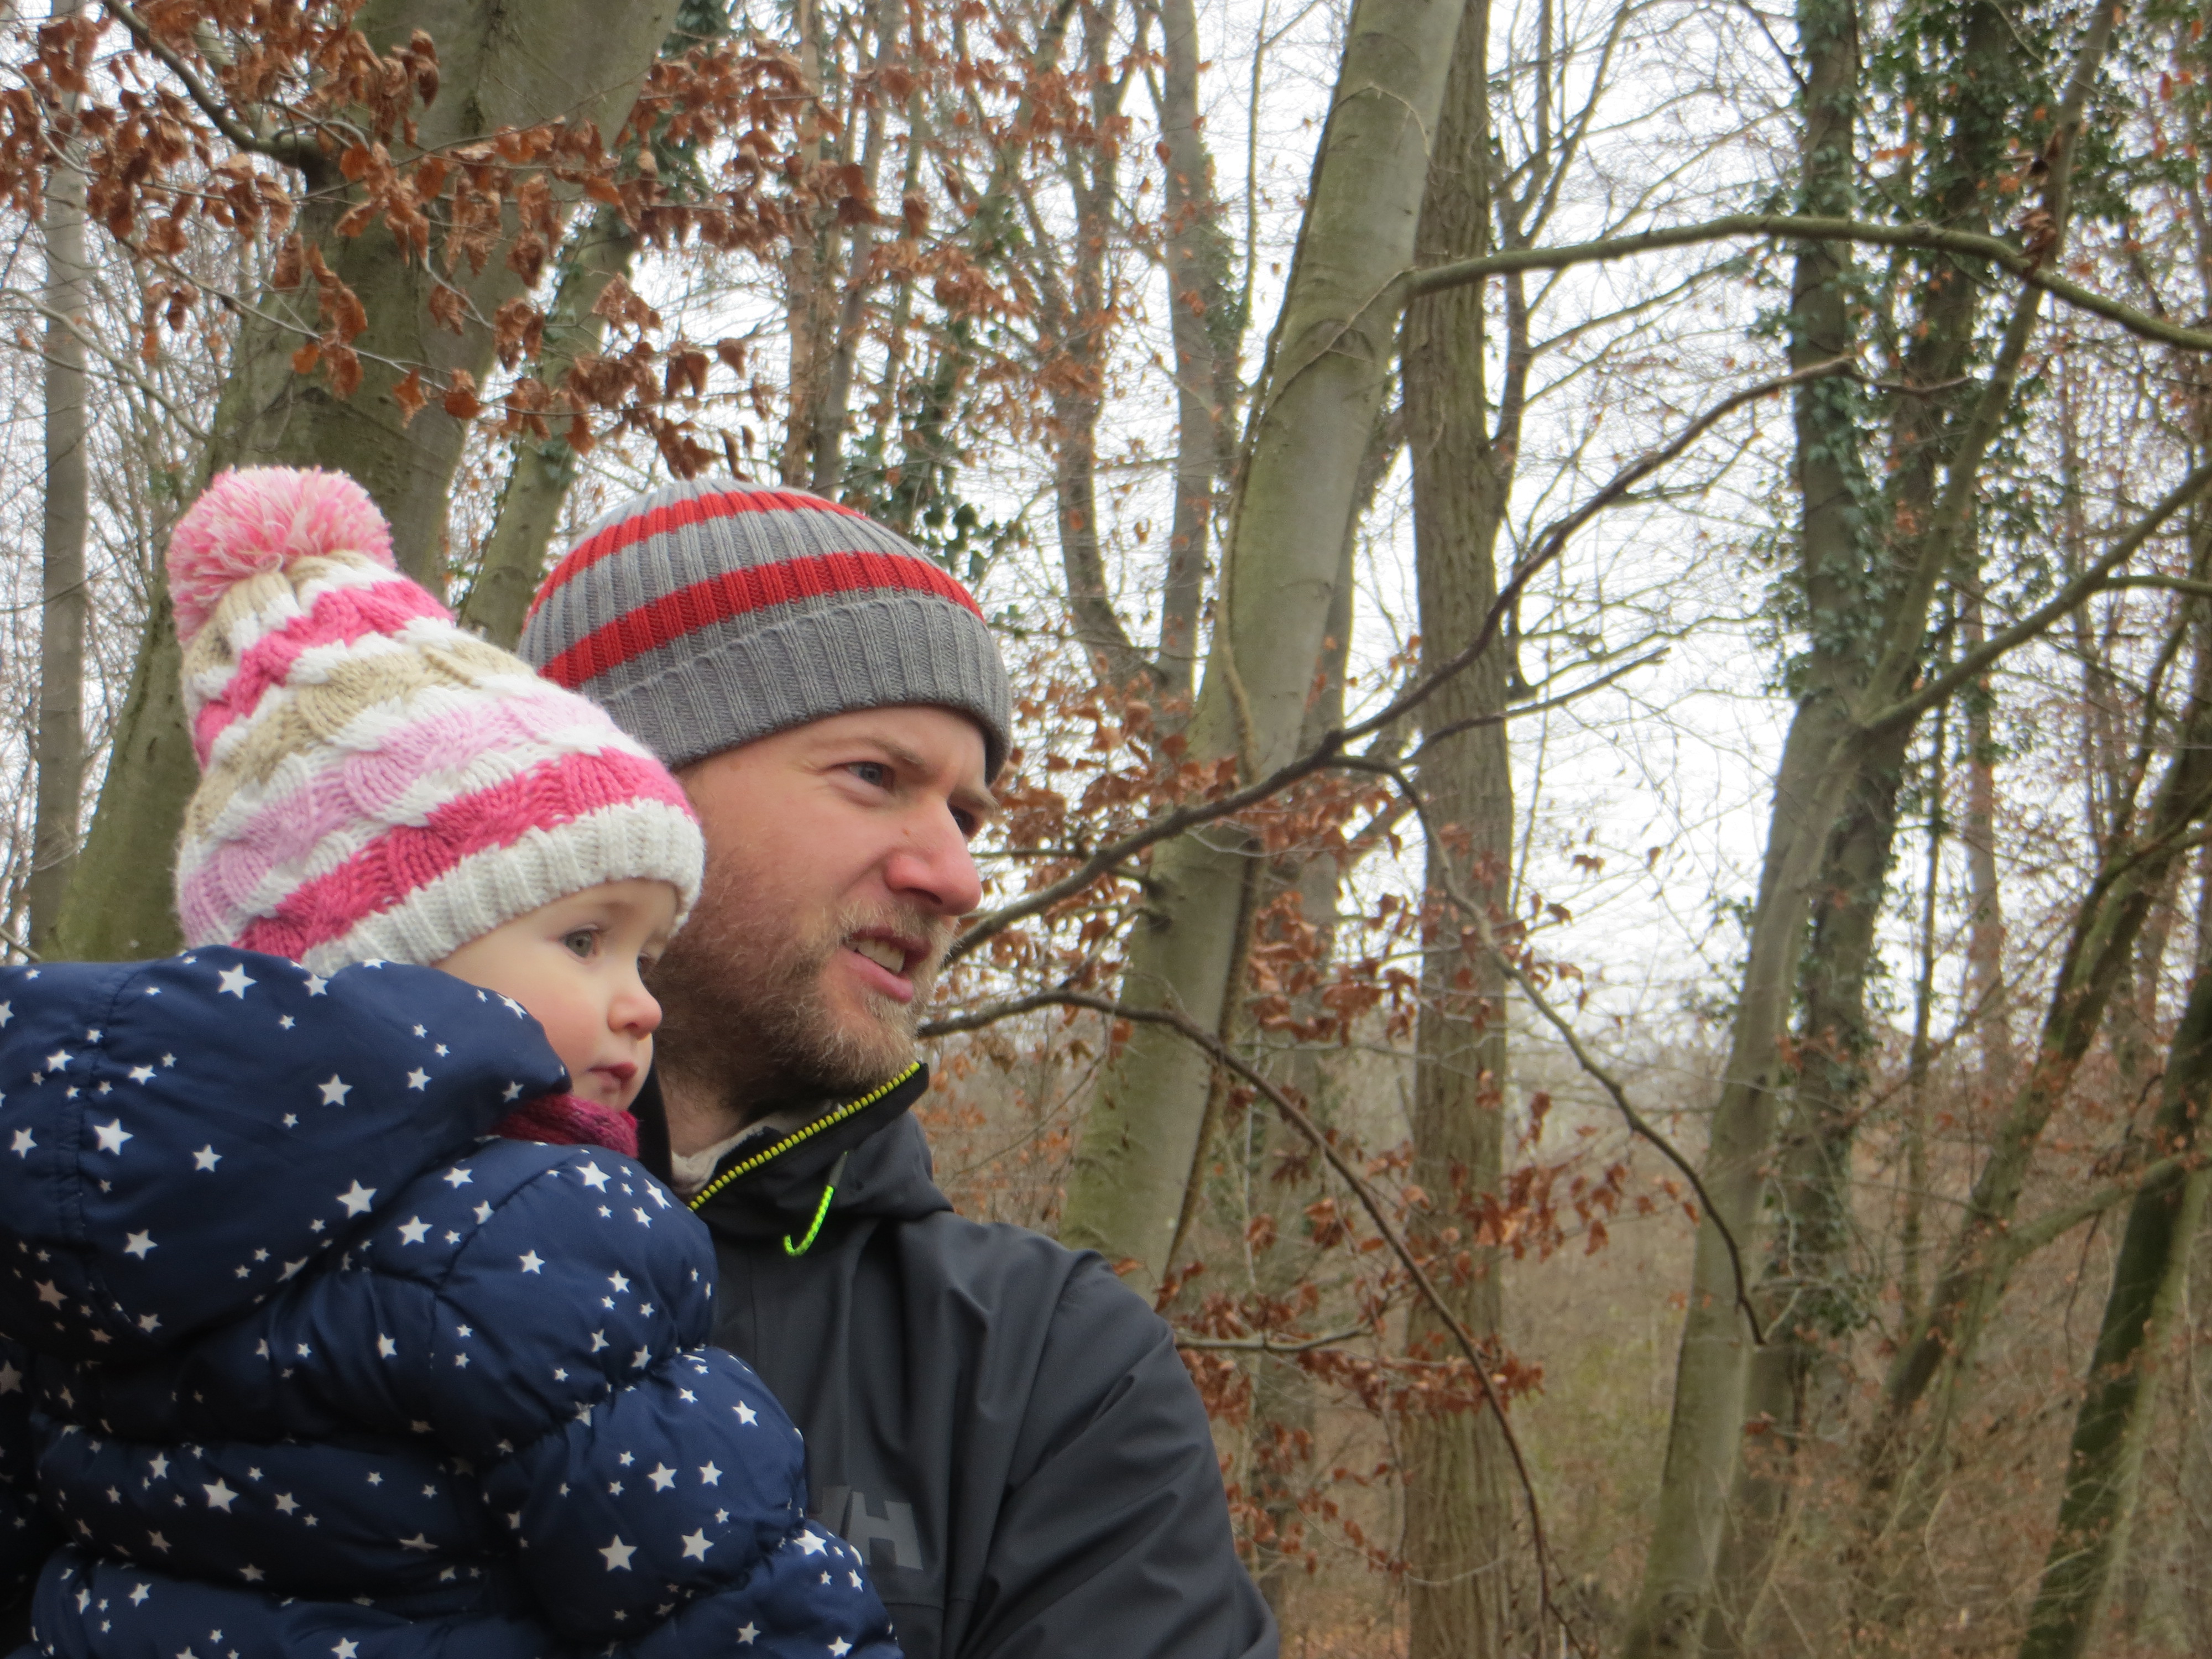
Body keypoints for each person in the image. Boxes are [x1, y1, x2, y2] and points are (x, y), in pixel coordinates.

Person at [0, 468, 897, 1658]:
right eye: (585, 941)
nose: (642, 1006)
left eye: (646, 954)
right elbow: (727, 1590)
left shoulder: (82, 1219)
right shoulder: (536, 1225)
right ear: (384, 965)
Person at [517, 478, 1280, 1659]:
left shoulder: (1049, 1372)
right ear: (623, 798)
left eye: (965, 818)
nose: (957, 879)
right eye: (875, 776)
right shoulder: (283, 1239)